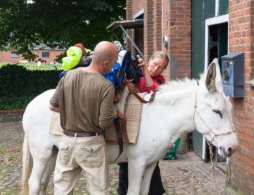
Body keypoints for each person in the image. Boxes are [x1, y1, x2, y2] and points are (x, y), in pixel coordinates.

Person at [49, 41, 118, 195]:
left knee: (61, 190)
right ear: (106, 63)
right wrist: (114, 115)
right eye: (113, 64)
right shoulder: (106, 86)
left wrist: (71, 111)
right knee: (99, 191)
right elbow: (104, 122)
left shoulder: (68, 76)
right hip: (91, 144)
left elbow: (53, 106)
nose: (113, 67)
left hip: (66, 142)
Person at [118, 51, 169, 195]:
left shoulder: (160, 80)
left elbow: (152, 89)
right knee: (126, 163)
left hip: (148, 129)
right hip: (131, 124)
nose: (156, 69)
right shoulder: (135, 70)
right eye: (155, 64)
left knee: (152, 164)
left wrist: (146, 69)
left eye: (160, 67)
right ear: (150, 60)